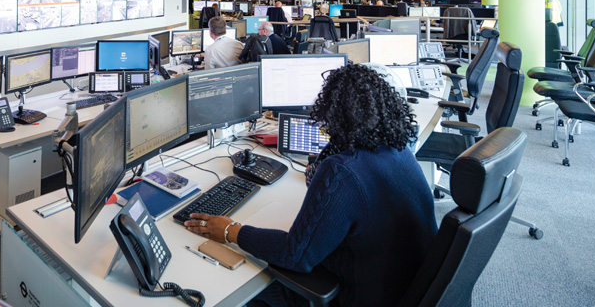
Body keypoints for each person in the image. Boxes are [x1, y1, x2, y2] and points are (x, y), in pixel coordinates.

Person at [184, 64, 437, 307]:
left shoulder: (342, 171)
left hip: (356, 297)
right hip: (403, 288)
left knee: (240, 284)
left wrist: (231, 231)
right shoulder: (399, 147)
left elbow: (296, 256)